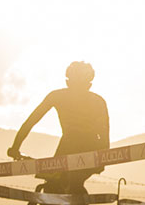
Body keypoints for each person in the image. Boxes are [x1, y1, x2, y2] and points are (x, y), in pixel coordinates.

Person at [7, 61, 110, 189]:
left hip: (69, 145)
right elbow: (104, 132)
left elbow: (30, 122)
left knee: (55, 186)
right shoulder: (98, 101)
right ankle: (76, 204)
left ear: (68, 82)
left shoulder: (57, 96)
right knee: (71, 185)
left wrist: (15, 148)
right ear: (89, 85)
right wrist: (104, 158)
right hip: (91, 148)